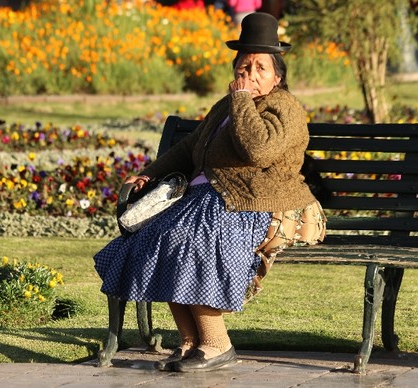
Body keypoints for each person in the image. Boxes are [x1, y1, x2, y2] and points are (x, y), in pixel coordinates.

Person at [93, 12, 326, 373]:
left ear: (277, 76)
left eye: (260, 67)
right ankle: (190, 340)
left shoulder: (285, 107)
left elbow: (258, 150)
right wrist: (148, 173)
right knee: (156, 236)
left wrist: (243, 101)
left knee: (188, 240)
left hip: (252, 200)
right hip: (208, 197)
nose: (249, 73)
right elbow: (190, 149)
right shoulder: (226, 105)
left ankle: (217, 343)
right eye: (243, 65)